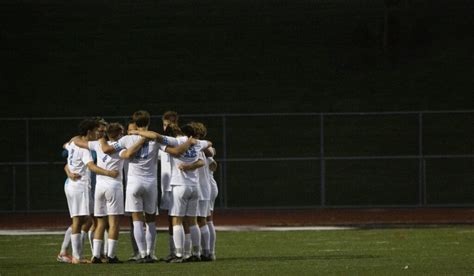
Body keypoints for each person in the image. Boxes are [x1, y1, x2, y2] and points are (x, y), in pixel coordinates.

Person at [101, 110, 195, 263]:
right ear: (149, 122)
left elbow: (107, 150)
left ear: (134, 122)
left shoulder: (127, 138)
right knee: (151, 220)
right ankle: (151, 254)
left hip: (133, 183)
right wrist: (189, 142)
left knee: (137, 219)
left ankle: (142, 254)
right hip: (150, 183)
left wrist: (101, 139)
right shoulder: (155, 139)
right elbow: (176, 151)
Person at [134, 124, 213, 263]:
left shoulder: (178, 141)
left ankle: (178, 254)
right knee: (193, 222)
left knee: (176, 221)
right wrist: (194, 142)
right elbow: (209, 144)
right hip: (194, 187)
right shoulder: (198, 143)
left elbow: (156, 136)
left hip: (180, 185)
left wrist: (135, 131)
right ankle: (196, 253)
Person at [72, 122, 146, 263]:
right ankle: (111, 256)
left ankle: (96, 256)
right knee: (114, 224)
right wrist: (142, 140)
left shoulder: (97, 144)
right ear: (119, 134)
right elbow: (129, 153)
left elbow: (77, 142)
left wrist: (70, 142)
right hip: (114, 187)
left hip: (99, 187)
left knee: (100, 223)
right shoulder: (120, 147)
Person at [63, 118, 119, 264]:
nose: (98, 134)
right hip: (80, 185)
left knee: (85, 220)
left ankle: (78, 254)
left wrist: (69, 171)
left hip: (71, 184)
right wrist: (109, 173)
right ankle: (77, 256)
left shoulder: (74, 141)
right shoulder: (84, 148)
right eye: (96, 130)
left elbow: (67, 151)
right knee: (80, 220)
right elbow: (92, 167)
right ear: (89, 132)